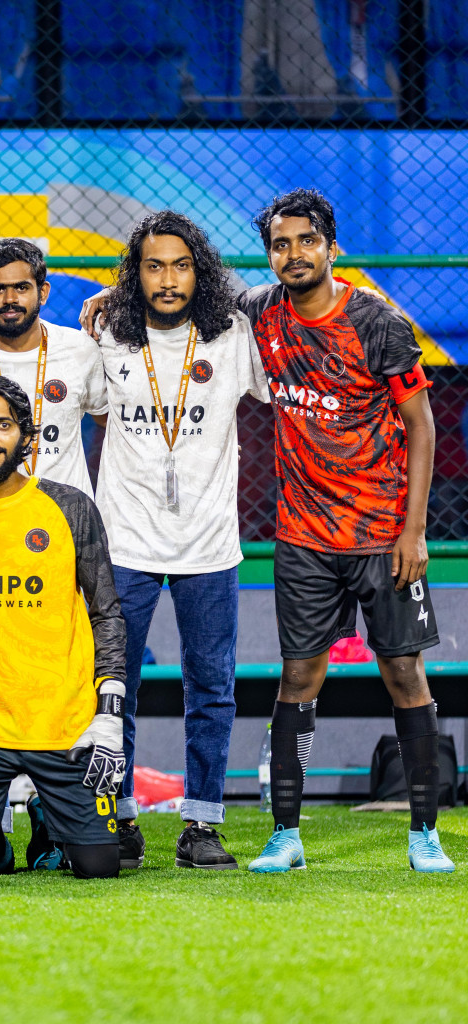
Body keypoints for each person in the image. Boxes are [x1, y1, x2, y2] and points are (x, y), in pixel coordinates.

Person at [238, 190, 449, 873]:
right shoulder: (262, 310)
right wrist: (109, 299)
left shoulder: (377, 323)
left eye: (306, 241)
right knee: (298, 676)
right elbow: (194, 292)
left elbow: (422, 426)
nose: (292, 255)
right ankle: (286, 835)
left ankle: (424, 832)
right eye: (280, 244)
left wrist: (412, 532)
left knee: (403, 673)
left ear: (332, 247)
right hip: (303, 538)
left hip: (383, 533)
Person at [93, 212, 268, 870]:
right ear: (134, 275)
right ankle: (118, 818)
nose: (168, 279)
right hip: (125, 542)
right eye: (154, 266)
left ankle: (202, 824)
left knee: (212, 688)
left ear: (202, 271)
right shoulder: (106, 332)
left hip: (209, 545)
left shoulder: (232, 335)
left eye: (181, 265)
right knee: (116, 687)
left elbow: (288, 381)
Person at [0, 375, 128, 881]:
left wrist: (111, 712)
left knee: (99, 867)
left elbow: (107, 611)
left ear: (27, 438)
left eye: (3, 425)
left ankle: (42, 810)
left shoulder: (70, 505)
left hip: (65, 723)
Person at [0, 237, 106, 495]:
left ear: (44, 292)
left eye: (22, 287)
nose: (10, 299)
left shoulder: (79, 350)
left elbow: (109, 423)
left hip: (64, 517)